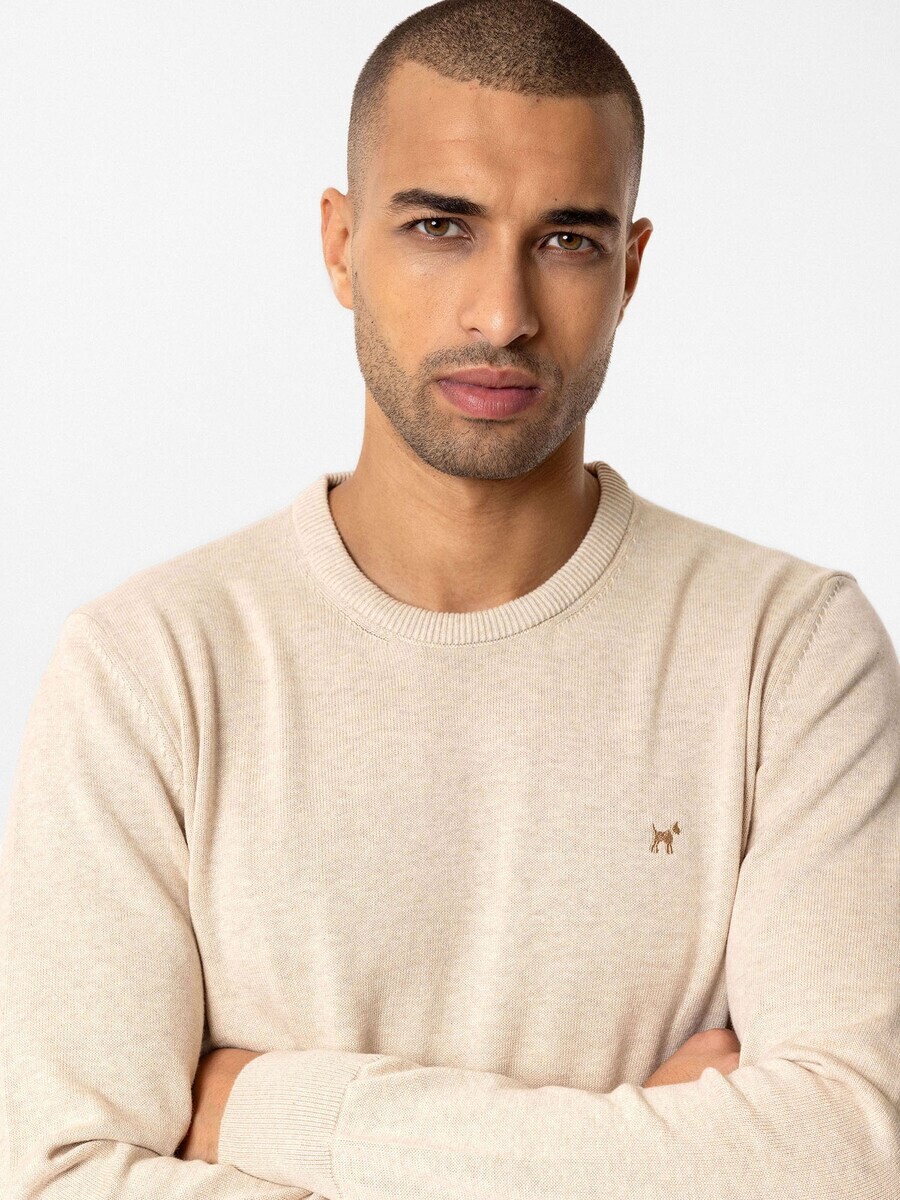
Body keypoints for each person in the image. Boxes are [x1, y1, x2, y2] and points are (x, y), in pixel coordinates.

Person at [2, 1, 898, 1197]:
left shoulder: (789, 653)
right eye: (439, 226)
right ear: (340, 246)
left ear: (630, 270)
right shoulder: (150, 668)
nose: (501, 313)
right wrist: (660, 1158)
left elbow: (848, 1156)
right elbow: (59, 1179)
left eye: (567, 240)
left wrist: (273, 1113)